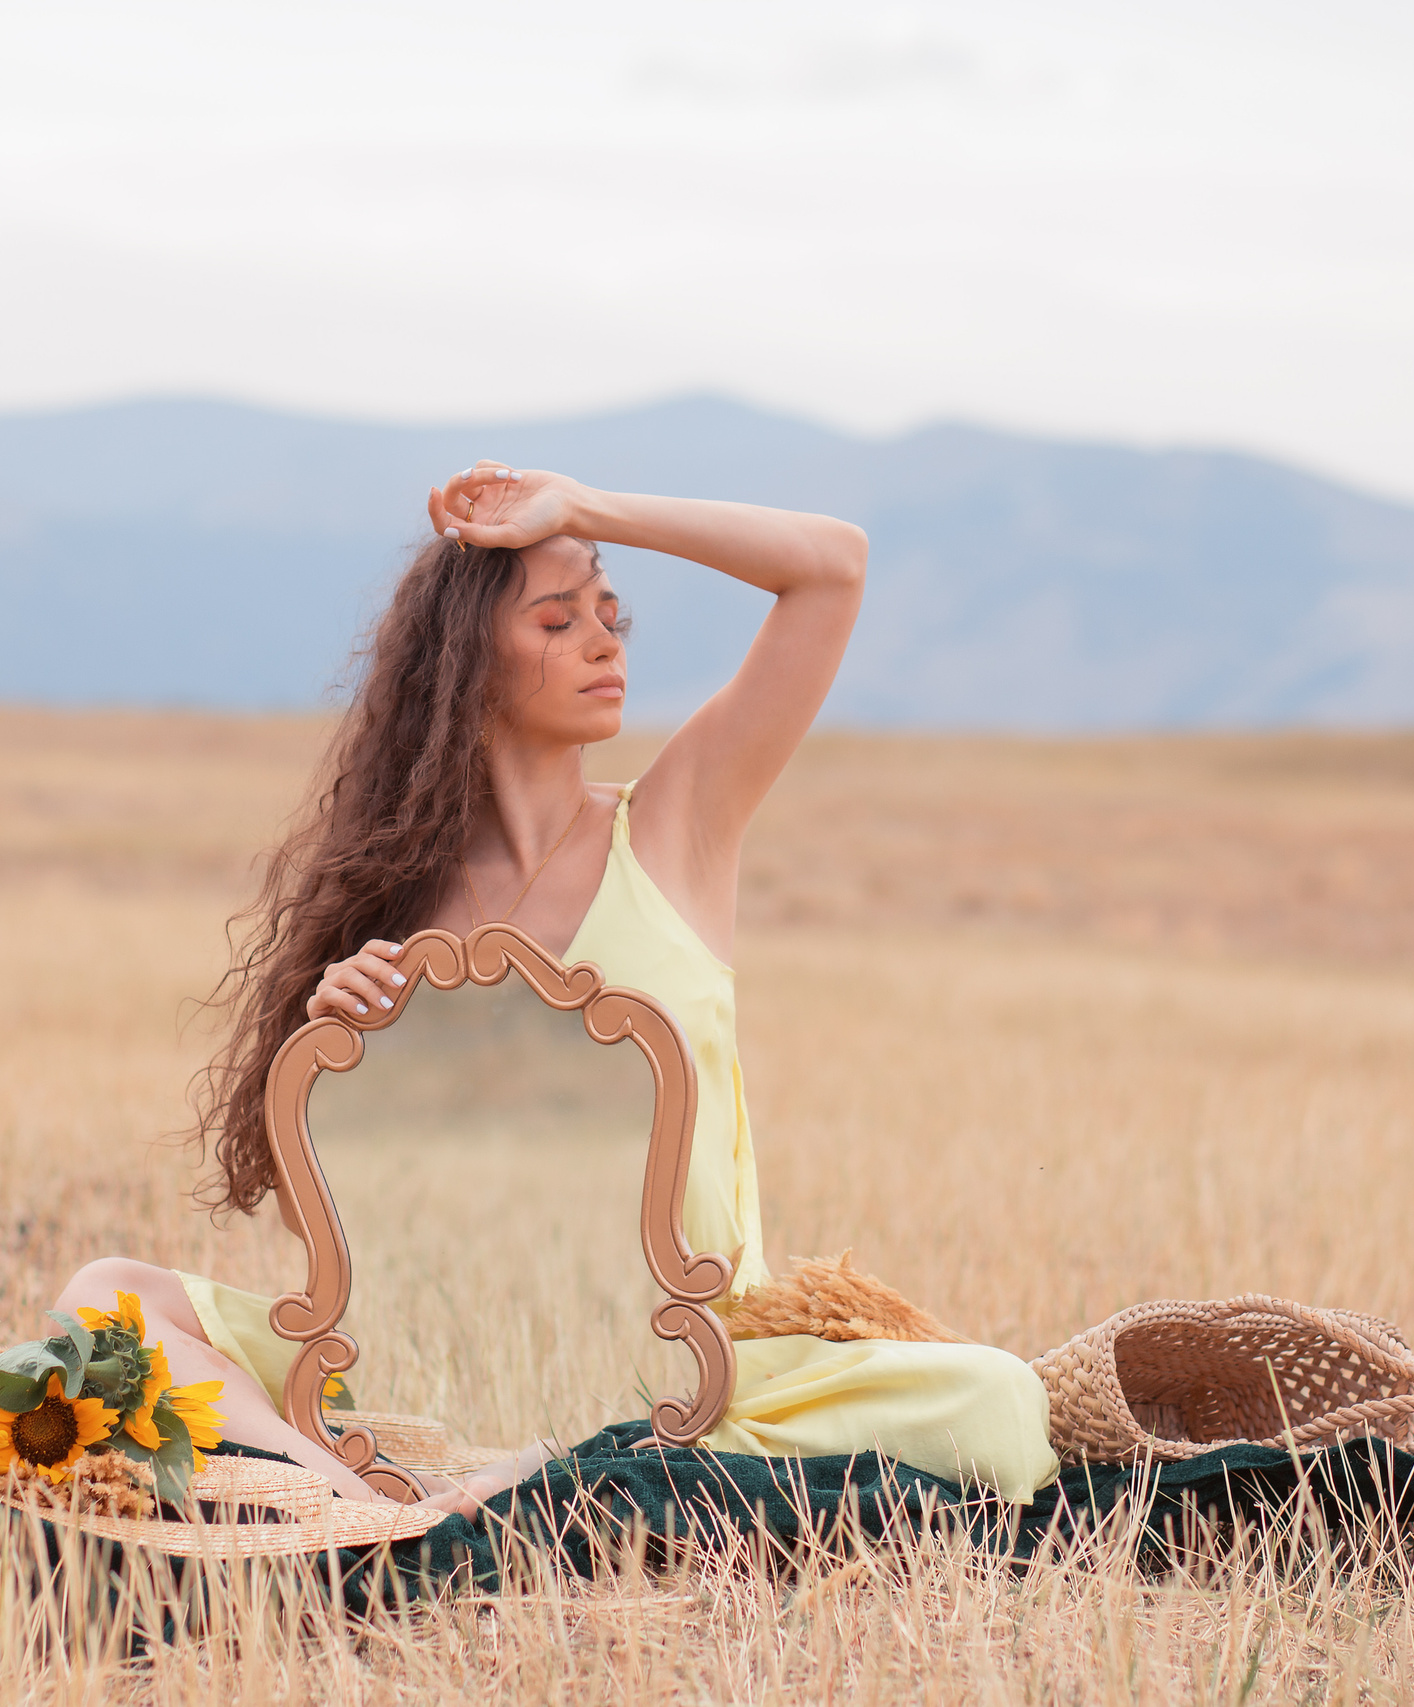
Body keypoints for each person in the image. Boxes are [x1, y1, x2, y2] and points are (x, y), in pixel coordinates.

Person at [56, 462, 1058, 1513]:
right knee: (101, 1304)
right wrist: (338, 1058)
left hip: (697, 1360)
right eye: (555, 620)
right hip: (444, 1354)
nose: (603, 641)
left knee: (994, 1403)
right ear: (465, 665)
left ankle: (524, 1469)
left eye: (608, 614)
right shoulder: (396, 911)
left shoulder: (676, 827)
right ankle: (340, 1488)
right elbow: (371, 1243)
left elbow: (830, 569)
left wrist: (583, 510)